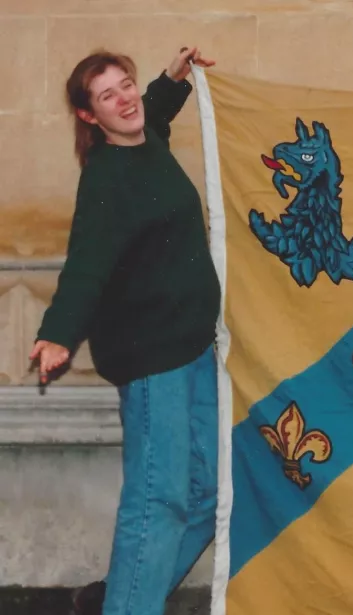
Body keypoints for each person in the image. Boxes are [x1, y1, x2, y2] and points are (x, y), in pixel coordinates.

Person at [29, 47, 221, 615]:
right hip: (150, 363)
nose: (125, 98)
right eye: (107, 95)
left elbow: (154, 113)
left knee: (210, 495)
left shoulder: (149, 141)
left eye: (127, 84)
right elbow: (86, 264)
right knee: (158, 500)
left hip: (194, 348)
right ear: (90, 117)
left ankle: (121, 596)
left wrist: (171, 76)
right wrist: (60, 332)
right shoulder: (106, 181)